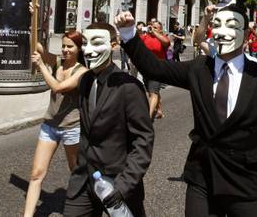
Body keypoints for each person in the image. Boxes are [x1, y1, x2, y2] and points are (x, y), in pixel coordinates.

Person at [115, 5, 257, 217]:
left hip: (246, 184)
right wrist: (128, 33)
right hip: (202, 179)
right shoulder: (198, 68)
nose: (222, 31)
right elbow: (154, 68)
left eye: (231, 25)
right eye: (217, 25)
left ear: (246, 34)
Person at [63, 22, 154, 216]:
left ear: (113, 45)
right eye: (85, 43)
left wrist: (123, 185)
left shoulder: (129, 87)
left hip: (119, 183)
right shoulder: (84, 80)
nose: (88, 50)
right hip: (84, 182)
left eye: (96, 43)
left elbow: (143, 140)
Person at [24, 31, 88, 217]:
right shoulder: (57, 62)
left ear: (79, 48)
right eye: (63, 46)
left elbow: (58, 88)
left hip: (72, 128)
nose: (65, 50)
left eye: (70, 46)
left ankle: (84, 209)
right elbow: (35, 45)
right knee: (36, 174)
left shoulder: (82, 71)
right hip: (50, 126)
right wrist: (32, 18)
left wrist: (42, 66)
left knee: (75, 174)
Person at [140, 19, 171, 120]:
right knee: (151, 91)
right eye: (151, 27)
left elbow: (166, 43)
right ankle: (158, 110)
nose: (152, 29)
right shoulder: (146, 37)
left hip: (158, 69)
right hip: (146, 69)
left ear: (161, 30)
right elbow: (136, 41)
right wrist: (139, 30)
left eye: (155, 28)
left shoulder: (163, 38)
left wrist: (154, 32)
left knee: (153, 92)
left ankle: (147, 117)